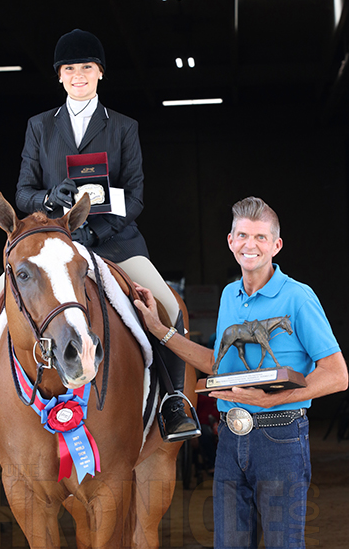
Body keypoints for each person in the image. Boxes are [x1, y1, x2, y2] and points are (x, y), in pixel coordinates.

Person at [0, 29, 199, 454]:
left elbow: (136, 195)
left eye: (87, 67)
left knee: (169, 305)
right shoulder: (39, 127)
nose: (79, 75)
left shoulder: (123, 127)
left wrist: (98, 231)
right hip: (54, 245)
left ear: (100, 73)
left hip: (115, 241)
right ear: (60, 77)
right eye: (70, 69)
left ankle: (173, 400)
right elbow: (24, 190)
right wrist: (49, 199)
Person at [134, 196, 348, 548]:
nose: (251, 245)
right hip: (231, 440)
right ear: (231, 241)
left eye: (261, 237)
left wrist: (268, 402)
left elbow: (337, 375)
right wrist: (160, 330)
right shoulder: (230, 296)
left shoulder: (299, 297)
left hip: (280, 438)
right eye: (243, 235)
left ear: (276, 245)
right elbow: (219, 366)